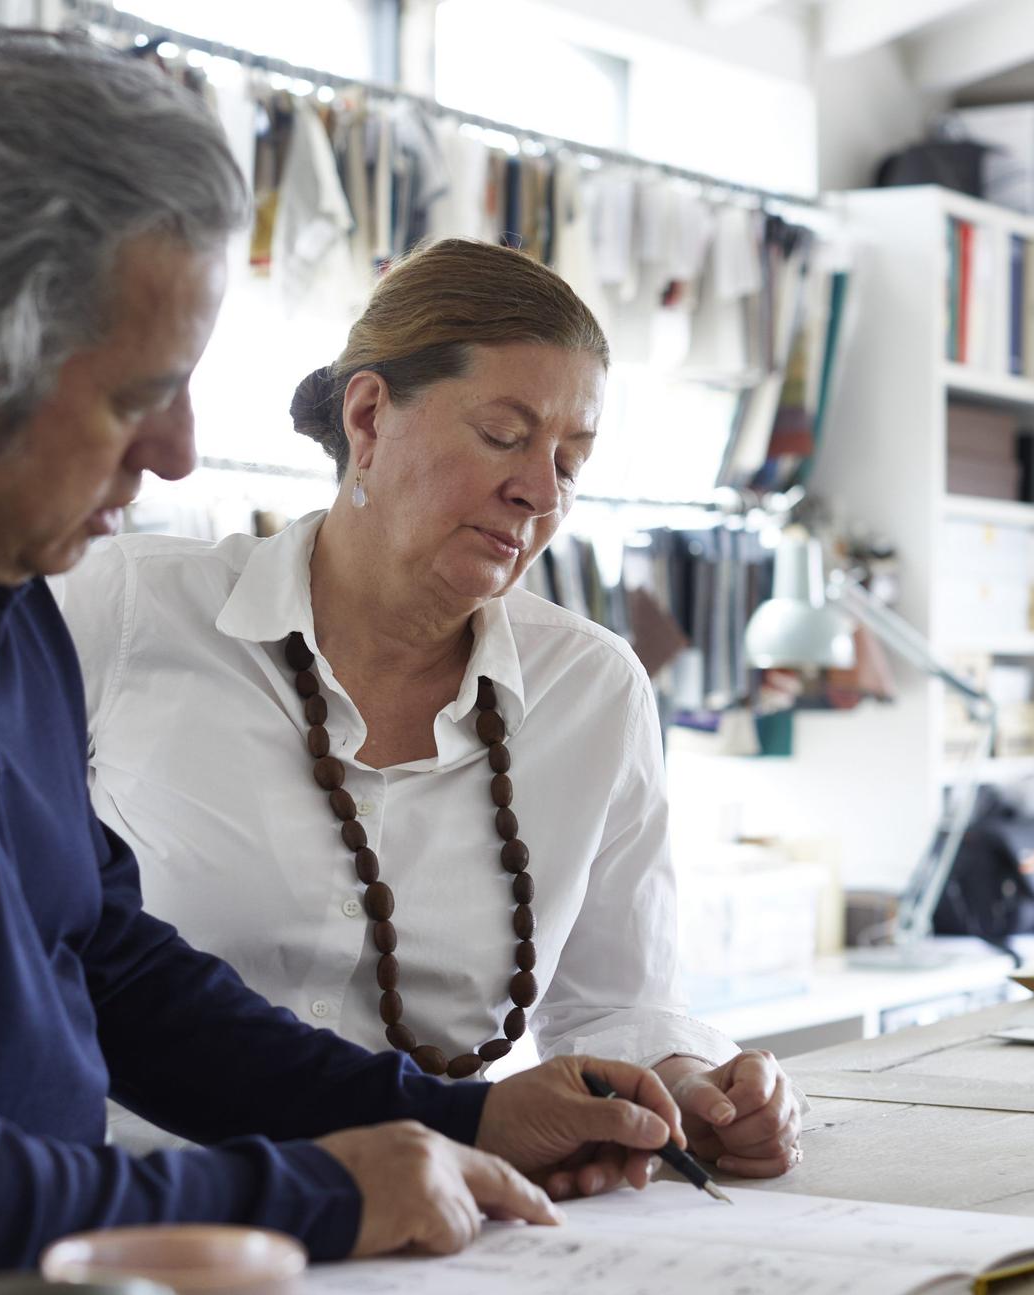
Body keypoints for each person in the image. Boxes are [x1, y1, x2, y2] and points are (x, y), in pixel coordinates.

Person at [0, 31, 714, 1283]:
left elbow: (105, 957)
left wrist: (459, 1115)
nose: (180, 453)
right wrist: (316, 1193)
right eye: (139, 395)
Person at [60, 237, 803, 1181]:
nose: (539, 490)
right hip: (141, 1215)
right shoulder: (116, 611)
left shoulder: (595, 691)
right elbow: (52, 949)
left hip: (441, 1228)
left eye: (572, 462)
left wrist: (689, 1084)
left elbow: (620, 1002)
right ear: (367, 418)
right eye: (504, 434)